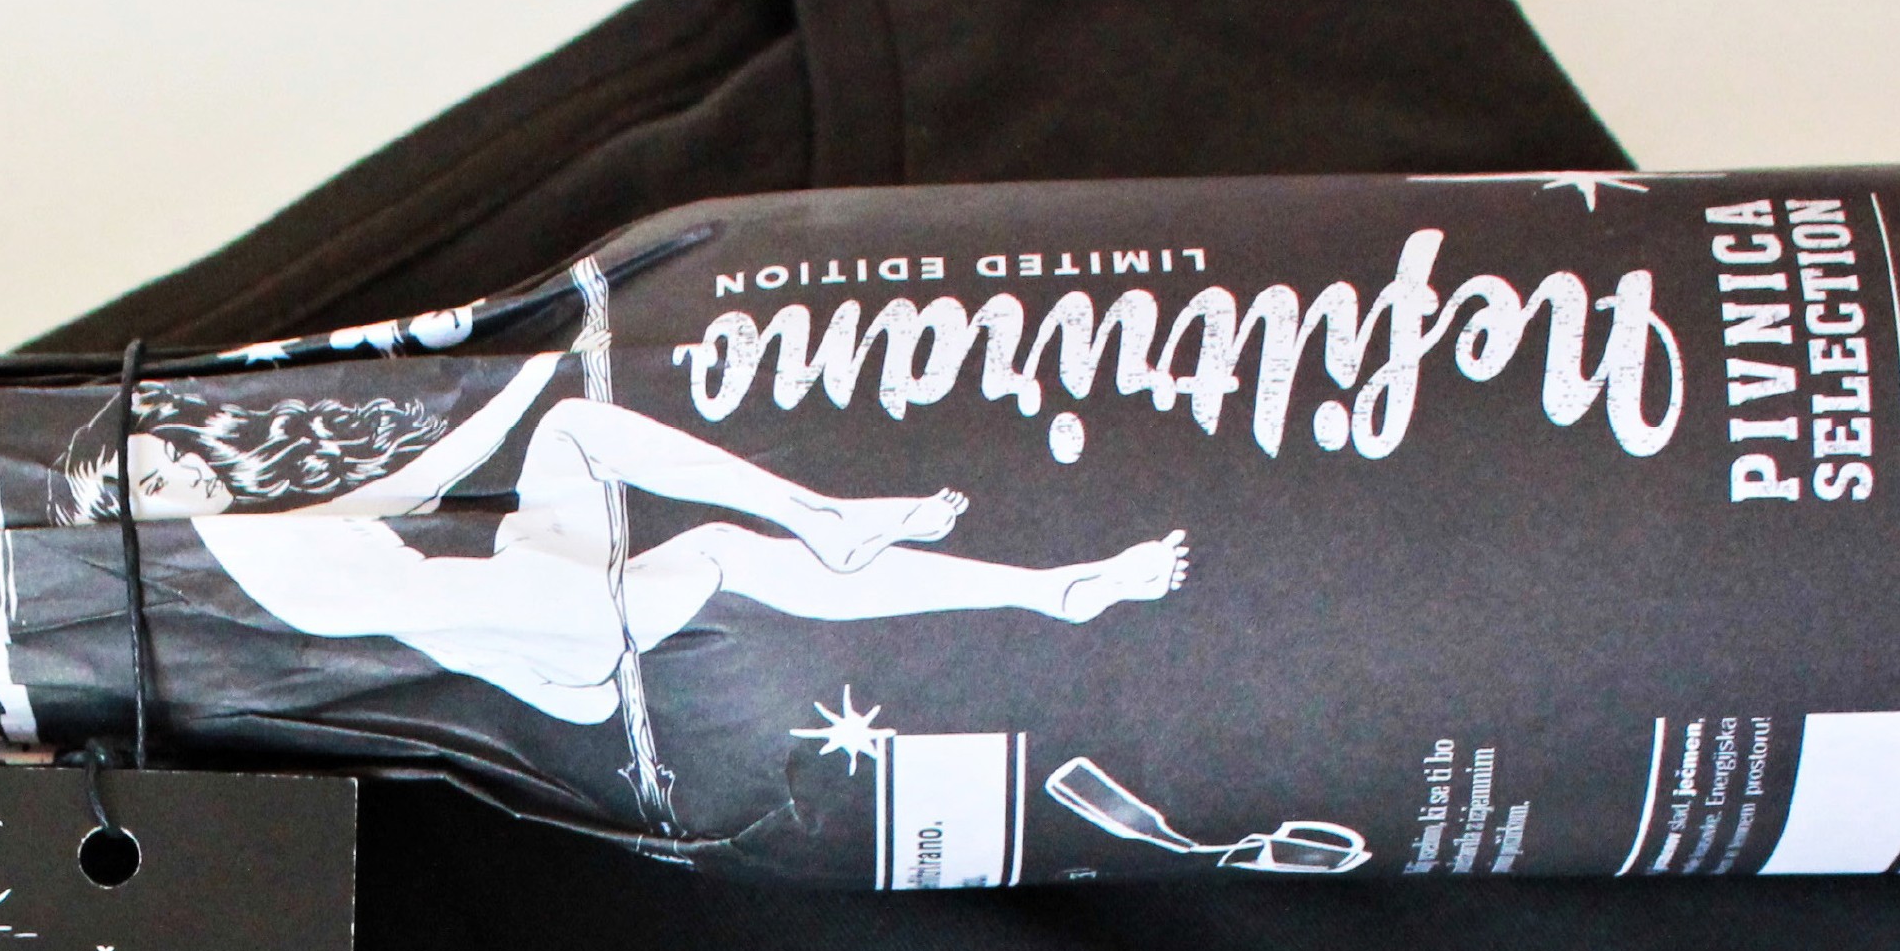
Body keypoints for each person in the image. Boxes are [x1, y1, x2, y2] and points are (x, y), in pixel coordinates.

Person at [62, 352, 1188, 727]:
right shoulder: (262, 556)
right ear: (130, 526)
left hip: (529, 602)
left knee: (578, 430)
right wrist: (560, 632)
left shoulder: (254, 532)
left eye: (168, 454)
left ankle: (871, 531)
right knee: (714, 545)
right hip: (546, 641)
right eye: (152, 485)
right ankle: (1020, 583)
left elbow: (421, 480)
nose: (185, 470)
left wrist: (522, 382)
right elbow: (437, 607)